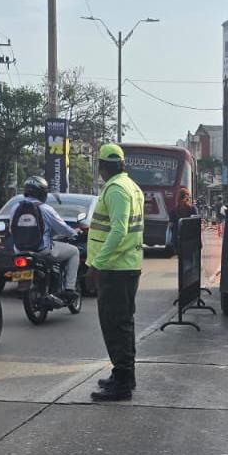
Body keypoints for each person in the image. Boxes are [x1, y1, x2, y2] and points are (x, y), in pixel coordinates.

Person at [87, 143, 145, 402]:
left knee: (115, 325)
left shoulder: (117, 189)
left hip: (116, 268)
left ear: (103, 166)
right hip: (125, 265)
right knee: (122, 323)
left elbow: (119, 230)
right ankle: (123, 374)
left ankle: (122, 382)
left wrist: (97, 263)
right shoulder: (131, 186)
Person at [0, 176, 83, 305]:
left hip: (20, 250)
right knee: (74, 251)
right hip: (42, 250)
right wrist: (74, 233)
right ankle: (69, 289)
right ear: (42, 192)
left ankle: (28, 285)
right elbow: (62, 228)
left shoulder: (15, 207)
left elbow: (11, 229)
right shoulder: (45, 208)